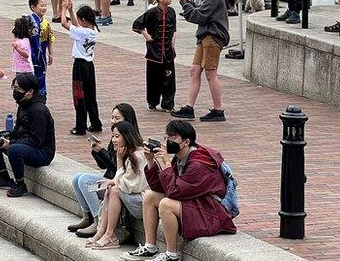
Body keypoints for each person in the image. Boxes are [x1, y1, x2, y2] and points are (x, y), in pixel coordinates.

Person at [126, 120, 236, 260]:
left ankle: (172, 254)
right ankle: (150, 247)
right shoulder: (181, 157)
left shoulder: (199, 164)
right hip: (196, 203)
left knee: (166, 204)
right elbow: (160, 187)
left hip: (211, 213)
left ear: (186, 142)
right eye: (167, 137)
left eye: (173, 138)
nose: (168, 142)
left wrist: (166, 164)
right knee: (150, 196)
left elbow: (174, 192)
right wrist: (150, 161)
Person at [169, 0, 234, 122]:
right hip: (206, 36)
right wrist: (188, 2)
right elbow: (200, 12)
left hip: (212, 37)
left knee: (210, 73)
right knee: (195, 70)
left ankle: (218, 110)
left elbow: (197, 16)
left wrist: (184, 3)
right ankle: (189, 107)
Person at [68, 104, 139, 237]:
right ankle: (87, 215)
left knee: (85, 181)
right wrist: (97, 151)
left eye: (117, 118)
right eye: (112, 117)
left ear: (127, 120)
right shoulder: (116, 137)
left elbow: (117, 168)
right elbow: (103, 166)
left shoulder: (131, 142)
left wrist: (102, 152)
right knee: (77, 178)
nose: (113, 121)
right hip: (110, 179)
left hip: (117, 183)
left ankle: (98, 219)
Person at [0, 72, 56, 198]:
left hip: (42, 152)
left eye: (18, 88)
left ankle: (21, 185)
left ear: (29, 91)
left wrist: (10, 143)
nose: (15, 91)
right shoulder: (22, 104)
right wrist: (6, 135)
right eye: (14, 88)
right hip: (25, 144)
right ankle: (4, 177)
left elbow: (36, 141)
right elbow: (18, 131)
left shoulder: (39, 110)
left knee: (13, 149)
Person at [86, 121, 148, 250]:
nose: (114, 140)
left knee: (114, 190)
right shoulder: (127, 154)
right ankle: (102, 231)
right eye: (113, 136)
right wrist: (119, 160)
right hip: (133, 197)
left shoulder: (139, 155)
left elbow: (132, 186)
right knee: (111, 188)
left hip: (143, 201)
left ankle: (109, 234)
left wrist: (113, 180)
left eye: (117, 136)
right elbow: (119, 179)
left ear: (127, 136)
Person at [132, 0, 177, 112]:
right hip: (154, 53)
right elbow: (137, 24)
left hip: (168, 52)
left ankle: (168, 104)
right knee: (153, 79)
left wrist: (173, 45)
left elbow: (174, 30)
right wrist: (146, 35)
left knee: (169, 78)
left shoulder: (172, 12)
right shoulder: (151, 12)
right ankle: (152, 102)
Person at [61, 0, 102, 136]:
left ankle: (80, 127)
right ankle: (96, 123)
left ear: (84, 20)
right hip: (90, 66)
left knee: (79, 96)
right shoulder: (93, 30)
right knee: (91, 96)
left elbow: (64, 23)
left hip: (79, 66)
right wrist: (72, 10)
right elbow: (77, 25)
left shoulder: (82, 32)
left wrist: (63, 9)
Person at [26, 0, 52, 95]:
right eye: (41, 6)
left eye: (45, 5)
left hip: (41, 56)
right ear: (33, 7)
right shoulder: (29, 21)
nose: (44, 8)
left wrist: (50, 53)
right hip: (32, 56)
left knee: (41, 78)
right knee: (33, 80)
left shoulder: (45, 23)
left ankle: (41, 100)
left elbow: (49, 38)